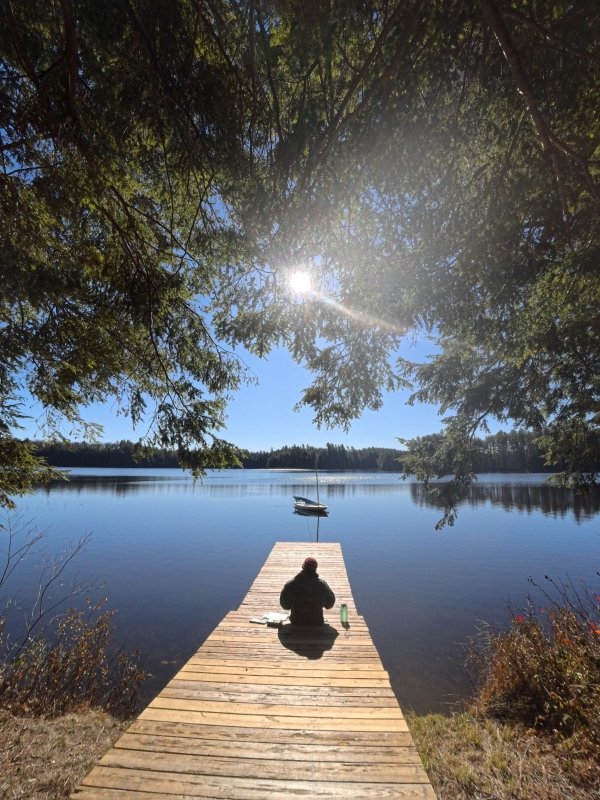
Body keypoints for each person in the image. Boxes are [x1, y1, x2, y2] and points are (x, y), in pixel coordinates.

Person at [280, 556, 335, 625]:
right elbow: (330, 604)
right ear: (315, 569)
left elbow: (284, 606)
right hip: (316, 623)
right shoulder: (322, 585)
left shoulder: (291, 584)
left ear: (303, 567)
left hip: (297, 622)